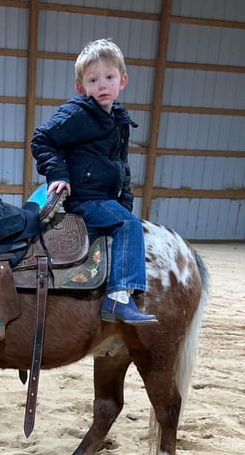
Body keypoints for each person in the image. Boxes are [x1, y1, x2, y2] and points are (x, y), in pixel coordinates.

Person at [31, 38, 157, 325]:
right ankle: (118, 298)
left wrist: (124, 201)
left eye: (109, 77)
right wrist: (59, 175)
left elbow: (120, 167)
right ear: (81, 87)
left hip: (105, 198)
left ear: (122, 81)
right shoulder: (78, 113)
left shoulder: (118, 120)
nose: (102, 84)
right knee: (128, 224)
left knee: (127, 219)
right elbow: (43, 140)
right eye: (93, 79)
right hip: (85, 199)